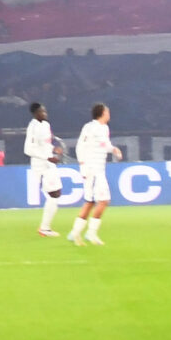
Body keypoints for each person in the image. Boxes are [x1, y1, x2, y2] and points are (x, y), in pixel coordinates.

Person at [69, 103, 122, 246]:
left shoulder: (102, 128)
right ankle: (90, 233)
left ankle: (76, 232)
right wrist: (83, 165)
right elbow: (81, 146)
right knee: (103, 200)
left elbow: (104, 144)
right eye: (107, 112)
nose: (109, 114)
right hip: (92, 169)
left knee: (91, 201)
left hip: (98, 169)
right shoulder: (91, 127)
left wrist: (114, 149)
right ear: (102, 113)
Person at [23, 103, 65, 237]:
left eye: (45, 111)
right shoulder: (33, 127)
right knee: (55, 194)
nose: (45, 113)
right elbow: (28, 149)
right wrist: (47, 157)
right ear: (35, 113)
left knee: (56, 194)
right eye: (42, 111)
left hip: (49, 163)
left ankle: (45, 228)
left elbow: (47, 143)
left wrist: (54, 149)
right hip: (41, 165)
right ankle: (45, 228)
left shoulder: (46, 125)